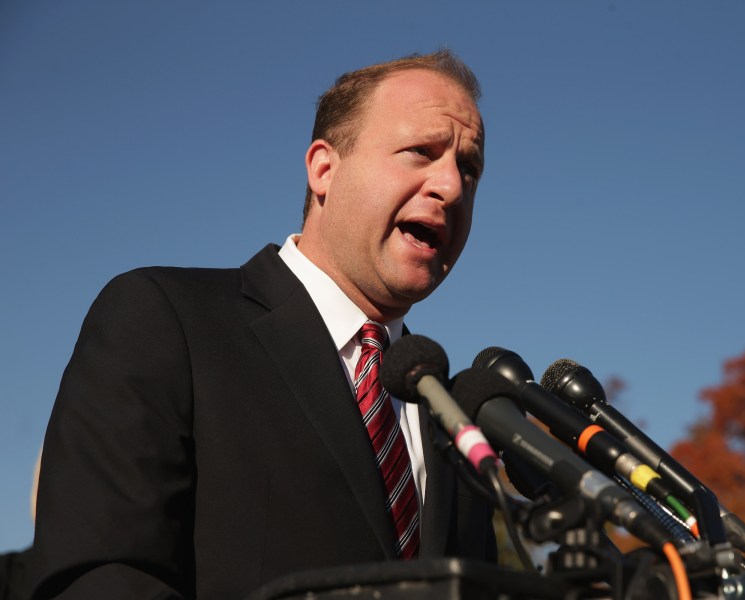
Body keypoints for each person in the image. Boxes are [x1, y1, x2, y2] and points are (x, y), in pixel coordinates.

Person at [29, 50, 495, 600]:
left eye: (469, 167)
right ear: (325, 169)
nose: (453, 186)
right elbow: (101, 576)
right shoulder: (164, 319)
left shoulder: (452, 412)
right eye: (422, 152)